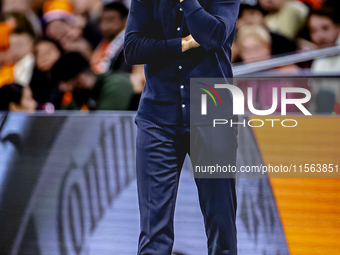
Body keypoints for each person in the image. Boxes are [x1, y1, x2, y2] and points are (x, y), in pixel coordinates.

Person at [124, 0, 240, 254]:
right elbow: (132, 48)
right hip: (157, 119)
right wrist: (184, 44)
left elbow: (214, 35)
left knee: (222, 229)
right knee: (154, 234)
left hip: (213, 117)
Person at [51, 51, 134, 111]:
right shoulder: (80, 92)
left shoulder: (115, 84)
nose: (61, 88)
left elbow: (105, 122)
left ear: (80, 78)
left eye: (64, 82)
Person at [91, 2, 131, 74]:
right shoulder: (99, 42)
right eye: (102, 20)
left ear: (125, 21)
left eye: (110, 20)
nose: (104, 26)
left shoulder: (128, 48)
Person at [30, 38, 64, 110]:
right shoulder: (33, 81)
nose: (44, 58)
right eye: (39, 54)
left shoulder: (70, 78)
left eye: (48, 52)